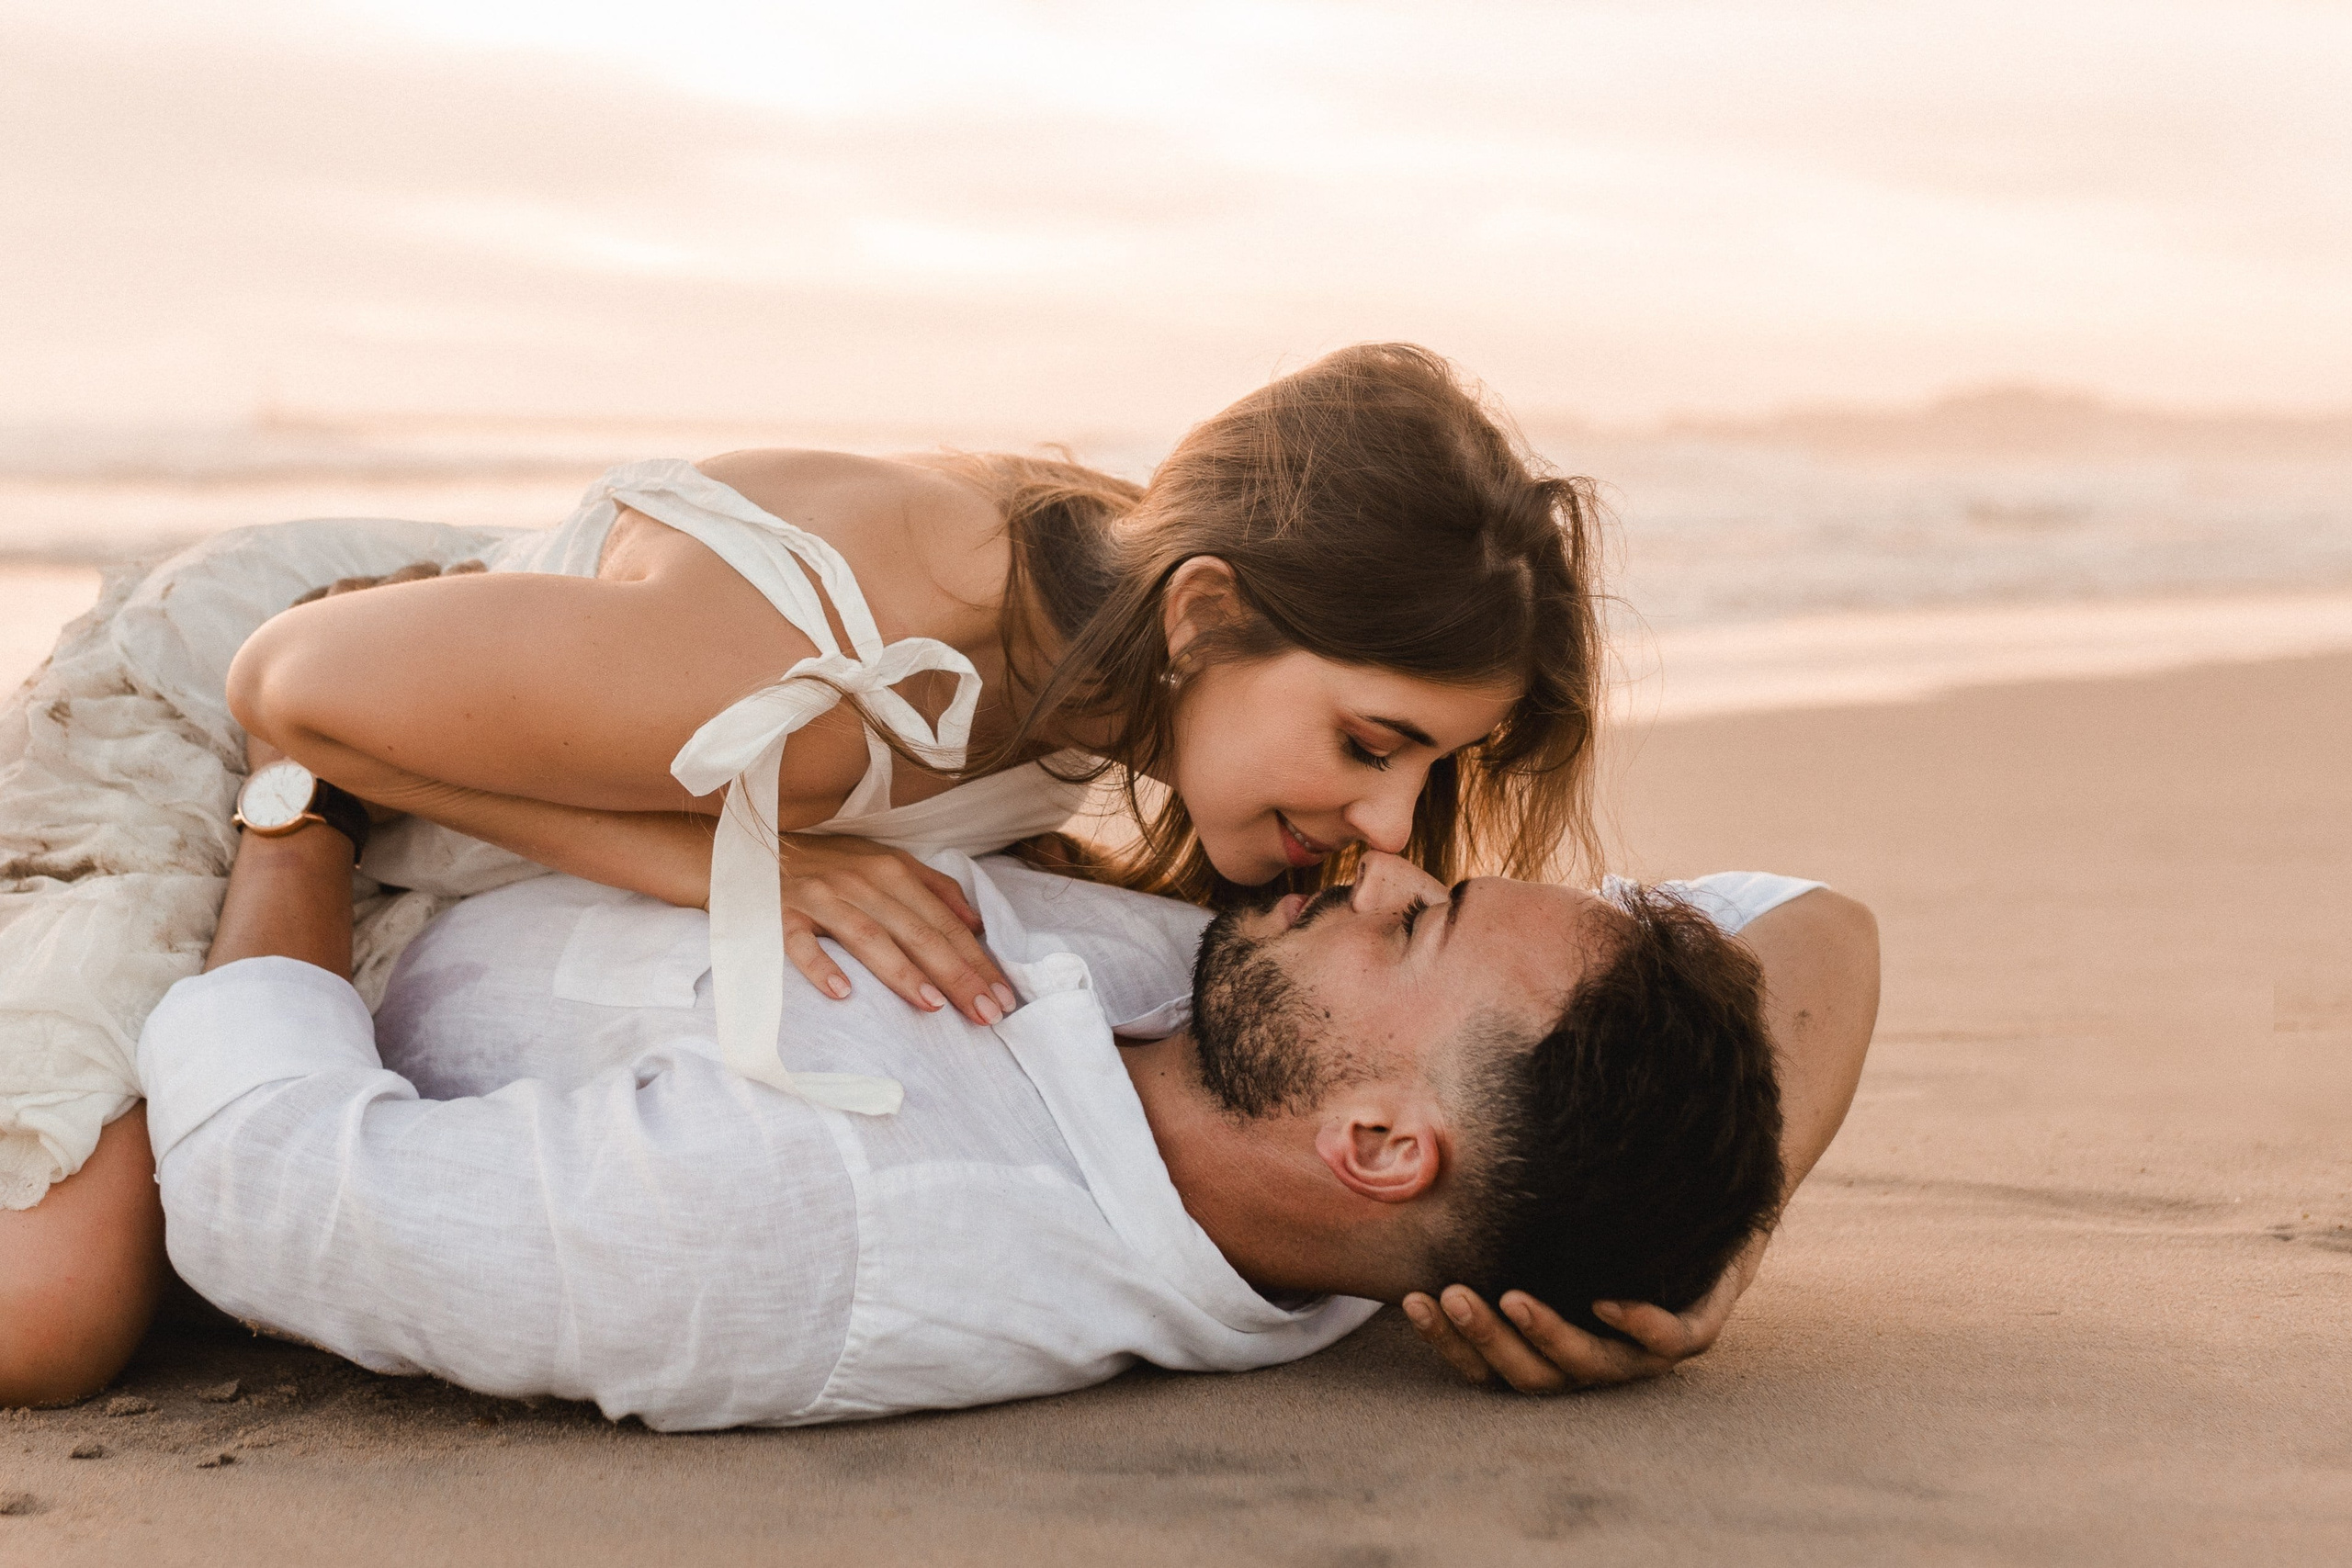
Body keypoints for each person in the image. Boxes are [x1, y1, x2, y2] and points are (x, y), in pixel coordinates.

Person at [2, 342, 1612, 1400]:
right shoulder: (849, 687)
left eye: (1430, 767)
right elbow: (293, 685)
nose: (1395, 830)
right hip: (220, 725)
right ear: (1203, 616)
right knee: (49, 1312)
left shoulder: (1105, 656)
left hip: (459, 783)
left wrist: (1629, 1252)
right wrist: (743, 868)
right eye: (1373, 740)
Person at [128, 737, 1878, 1427]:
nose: (1390, 866)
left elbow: (260, 1184)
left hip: (238, 913)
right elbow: (1801, 919)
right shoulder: (1248, 1076)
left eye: (1418, 931)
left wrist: (308, 800)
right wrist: (1702, 1253)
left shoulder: (819, 1224)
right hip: (490, 796)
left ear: (1375, 1143)